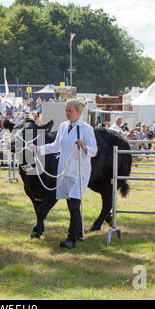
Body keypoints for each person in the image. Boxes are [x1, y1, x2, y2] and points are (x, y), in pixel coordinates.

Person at [33, 99, 97, 249]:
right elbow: (56, 146)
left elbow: (94, 151)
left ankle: (71, 238)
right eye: (66, 110)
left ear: (78, 112)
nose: (67, 113)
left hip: (78, 172)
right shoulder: (62, 126)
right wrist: (39, 149)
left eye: (70, 110)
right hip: (64, 171)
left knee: (74, 205)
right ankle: (79, 232)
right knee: (71, 204)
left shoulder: (86, 129)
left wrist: (84, 146)